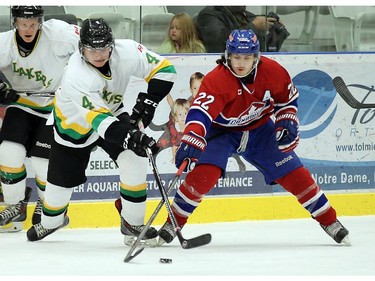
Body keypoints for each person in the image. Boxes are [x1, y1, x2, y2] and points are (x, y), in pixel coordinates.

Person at [157, 29, 350, 246]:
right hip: (222, 132)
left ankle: (329, 221)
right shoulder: (217, 80)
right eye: (236, 57)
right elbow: (200, 113)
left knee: (296, 174)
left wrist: (287, 120)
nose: (241, 63)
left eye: (247, 58)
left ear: (255, 57)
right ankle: (173, 222)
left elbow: (287, 101)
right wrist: (192, 136)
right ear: (228, 55)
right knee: (203, 176)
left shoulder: (273, 72)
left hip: (260, 130)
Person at [26, 18, 177, 245]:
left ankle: (131, 221)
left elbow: (166, 69)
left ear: (112, 44)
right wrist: (130, 136)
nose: (99, 54)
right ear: (81, 48)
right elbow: (102, 123)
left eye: (104, 48)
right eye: (92, 49)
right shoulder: (76, 76)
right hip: (74, 127)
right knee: (56, 201)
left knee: (134, 160)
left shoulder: (126, 52)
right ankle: (53, 221)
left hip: (112, 113)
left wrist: (150, 101)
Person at [0, 6, 79, 232]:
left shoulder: (59, 34)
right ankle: (16, 204)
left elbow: (91, 46)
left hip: (55, 106)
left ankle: (48, 205)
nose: (28, 28)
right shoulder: (4, 43)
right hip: (22, 104)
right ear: (14, 22)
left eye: (33, 23)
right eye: (23, 24)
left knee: (41, 162)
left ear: (40, 22)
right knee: (8, 151)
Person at [196, 6, 289, 53]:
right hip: (223, 67)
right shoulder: (209, 14)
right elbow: (218, 41)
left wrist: (276, 33)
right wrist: (253, 27)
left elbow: (264, 51)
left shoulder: (244, 14)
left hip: (251, 67)